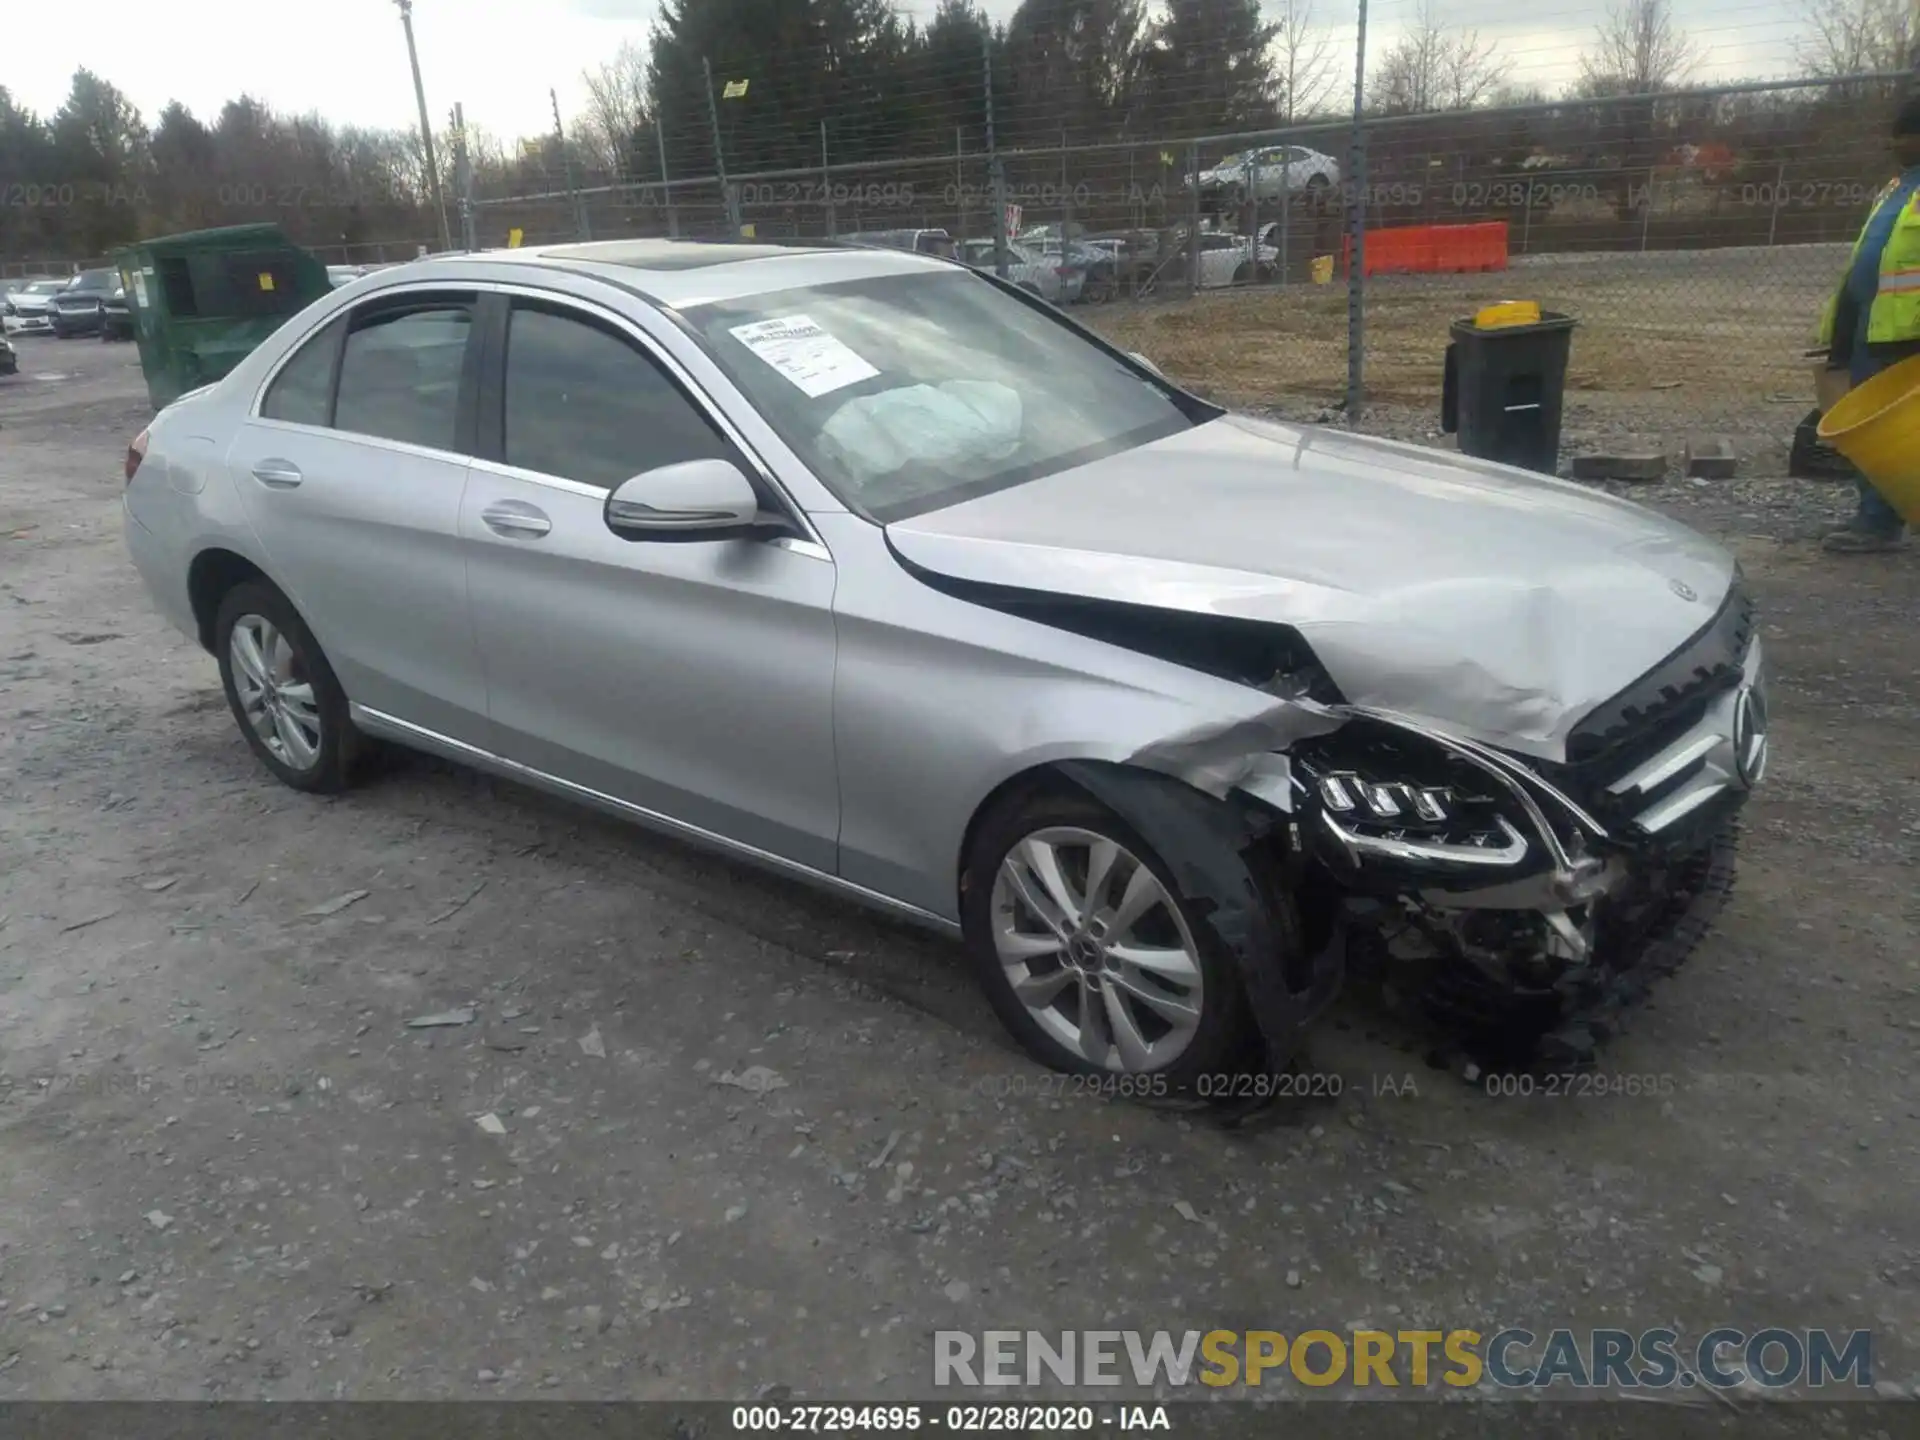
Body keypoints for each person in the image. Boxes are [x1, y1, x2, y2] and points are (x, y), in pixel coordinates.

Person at [1820, 90, 1920, 553]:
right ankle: (1876, 520)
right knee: (1875, 434)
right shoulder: (1897, 189)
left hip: (1909, 331)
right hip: (1875, 326)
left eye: (1905, 137)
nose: (1897, 145)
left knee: (1899, 432)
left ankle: (1882, 522)